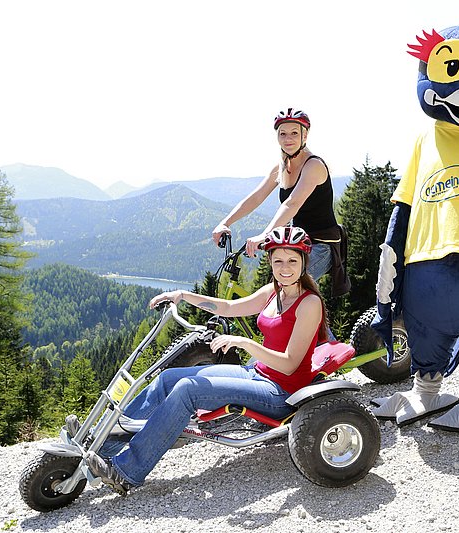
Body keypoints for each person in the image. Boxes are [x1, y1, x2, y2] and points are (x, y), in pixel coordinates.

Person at [84, 226, 329, 494]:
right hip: (258, 374)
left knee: (189, 390)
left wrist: (245, 343)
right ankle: (105, 445)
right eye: (278, 260)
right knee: (167, 379)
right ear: (269, 261)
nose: (285, 268)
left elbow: (290, 363)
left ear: (304, 262)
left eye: (292, 260)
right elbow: (227, 308)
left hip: (282, 392)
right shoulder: (273, 292)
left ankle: (126, 472)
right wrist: (183, 295)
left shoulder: (309, 303)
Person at [211, 108, 349, 296]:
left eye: (294, 133)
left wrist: (264, 235)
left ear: (305, 135)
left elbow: (292, 203)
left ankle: (320, 326)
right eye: (282, 134)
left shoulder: (314, 165)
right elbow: (256, 197)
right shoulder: (281, 166)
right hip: (297, 243)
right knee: (275, 296)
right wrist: (225, 223)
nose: (287, 139)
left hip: (322, 246)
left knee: (287, 292)